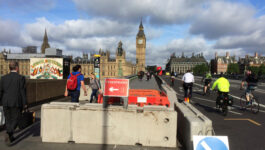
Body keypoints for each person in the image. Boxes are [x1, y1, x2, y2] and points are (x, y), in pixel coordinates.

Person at [0, 61, 27, 146]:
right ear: (17, 68)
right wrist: (25, 103)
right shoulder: (21, 78)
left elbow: (0, 91)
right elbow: (22, 91)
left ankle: (11, 137)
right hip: (16, 102)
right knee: (16, 118)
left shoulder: (3, 78)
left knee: (8, 119)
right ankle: (9, 132)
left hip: (5, 101)